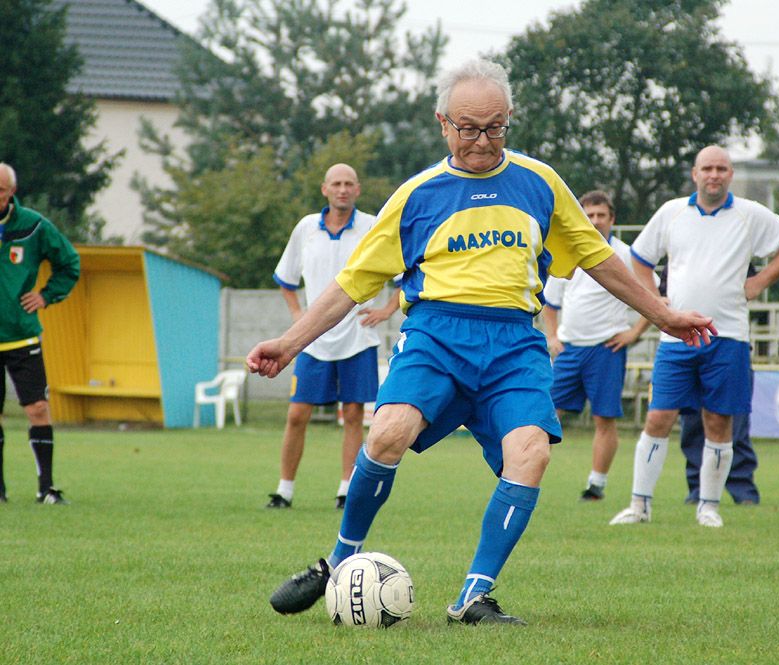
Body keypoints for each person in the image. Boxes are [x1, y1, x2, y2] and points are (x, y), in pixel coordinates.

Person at [246, 59, 715, 626]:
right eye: (468, 128)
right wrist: (290, 343)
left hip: (514, 344)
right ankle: (341, 565)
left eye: (494, 127)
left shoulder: (540, 183)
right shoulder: (415, 196)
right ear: (443, 123)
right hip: (435, 337)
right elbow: (352, 284)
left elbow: (598, 257)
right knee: (388, 431)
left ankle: (473, 596)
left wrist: (663, 314)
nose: (481, 141)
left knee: (531, 453)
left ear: (509, 120)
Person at [610, 145, 779, 529]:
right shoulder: (671, 212)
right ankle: (639, 505)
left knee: (718, 422)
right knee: (658, 417)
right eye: (707, 168)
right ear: (694, 174)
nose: (714, 175)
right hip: (677, 337)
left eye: (721, 168)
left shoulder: (749, 214)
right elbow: (640, 257)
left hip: (728, 334)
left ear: (730, 174)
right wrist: (656, 301)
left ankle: (709, 506)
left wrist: (760, 281)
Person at [265, 164, 399, 510]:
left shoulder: (372, 226)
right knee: (297, 414)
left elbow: (404, 274)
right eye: (336, 183)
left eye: (349, 184)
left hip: (358, 337)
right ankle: (284, 490)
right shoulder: (306, 228)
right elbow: (286, 279)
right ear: (325, 189)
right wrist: (298, 316)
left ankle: (346, 490)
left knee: (354, 413)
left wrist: (386, 311)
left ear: (358, 189)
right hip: (313, 339)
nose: (342, 189)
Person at [541, 190, 648, 502]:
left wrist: (634, 333)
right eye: (589, 215)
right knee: (545, 413)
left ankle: (596, 485)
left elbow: (652, 298)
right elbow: (551, 302)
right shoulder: (569, 251)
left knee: (604, 419)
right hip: (570, 349)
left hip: (606, 349)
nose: (595, 221)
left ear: (612, 219)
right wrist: (552, 335)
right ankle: (525, 477)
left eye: (601, 215)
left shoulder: (626, 255)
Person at [0, 162, 80, 505]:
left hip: (22, 336)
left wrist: (46, 295)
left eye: (0, 190)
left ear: (12, 192)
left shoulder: (32, 226)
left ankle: (45, 488)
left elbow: (69, 263)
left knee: (37, 409)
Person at [658, 263, 760, 505]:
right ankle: (697, 489)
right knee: (692, 427)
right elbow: (662, 295)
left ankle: (742, 489)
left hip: (728, 346)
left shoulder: (732, 245)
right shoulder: (677, 260)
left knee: (733, 423)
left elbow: (751, 285)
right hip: (688, 348)